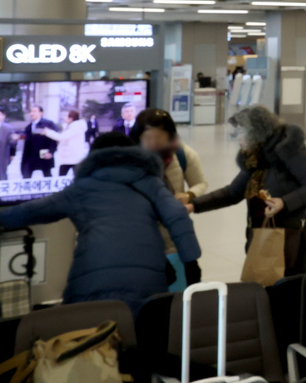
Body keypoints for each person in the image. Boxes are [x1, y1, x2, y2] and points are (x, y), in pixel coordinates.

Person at [0, 132, 201, 315]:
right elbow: (178, 215)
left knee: (90, 341)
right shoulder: (151, 183)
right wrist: (191, 263)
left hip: (90, 283)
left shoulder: (80, 189)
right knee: (144, 340)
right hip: (147, 282)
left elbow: (30, 211)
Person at [191, 106, 306, 276]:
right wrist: (193, 205)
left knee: (299, 291)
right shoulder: (256, 159)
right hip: (281, 237)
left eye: (239, 131)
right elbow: (232, 193)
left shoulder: (288, 149)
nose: (236, 137)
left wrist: (284, 202)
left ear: (256, 132)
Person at [132, 109, 208, 206]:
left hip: (172, 215)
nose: (154, 142)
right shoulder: (129, 158)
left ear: (170, 135)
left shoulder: (182, 153)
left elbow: (201, 183)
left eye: (159, 136)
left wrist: (188, 195)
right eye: (148, 137)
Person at [42, 110, 90, 176]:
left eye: (66, 116)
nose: (64, 118)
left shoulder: (76, 127)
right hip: (67, 158)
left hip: (74, 158)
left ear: (71, 119)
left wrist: (48, 132)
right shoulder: (69, 127)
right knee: (62, 177)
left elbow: (62, 137)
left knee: (74, 177)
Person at [18, 107, 58, 179]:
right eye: (31, 112)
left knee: (47, 175)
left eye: (34, 111)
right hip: (30, 156)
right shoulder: (29, 127)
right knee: (26, 175)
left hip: (44, 153)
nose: (32, 113)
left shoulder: (48, 124)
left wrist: (51, 151)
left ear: (40, 113)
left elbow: (55, 139)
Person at [0, 110, 14, 181]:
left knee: (2, 175)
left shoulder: (8, 128)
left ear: (3, 116)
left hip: (2, 156)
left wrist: (12, 154)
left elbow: (12, 142)